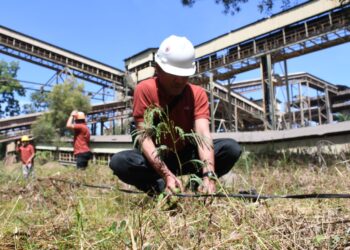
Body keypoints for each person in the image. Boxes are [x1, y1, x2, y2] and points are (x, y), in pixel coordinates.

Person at [110, 35, 241, 195]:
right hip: (156, 157)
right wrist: (166, 174)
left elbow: (203, 135)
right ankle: (161, 188)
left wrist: (209, 175)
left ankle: (198, 187)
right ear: (158, 69)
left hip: (186, 154)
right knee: (120, 162)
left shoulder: (197, 93)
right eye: (173, 75)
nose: (179, 81)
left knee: (230, 149)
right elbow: (144, 137)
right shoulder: (145, 89)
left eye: (184, 75)